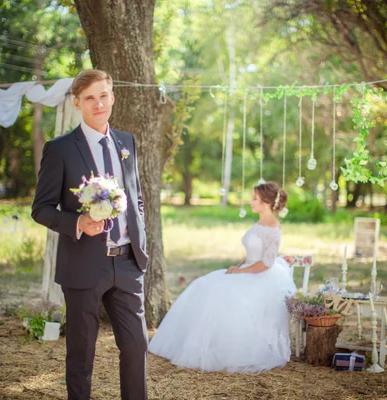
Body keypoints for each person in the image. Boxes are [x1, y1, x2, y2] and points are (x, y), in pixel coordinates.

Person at [31, 69, 149, 400]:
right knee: (81, 353)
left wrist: (140, 241)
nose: (98, 104)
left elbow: (135, 195)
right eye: (89, 98)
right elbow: (41, 209)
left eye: (103, 96)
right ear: (77, 103)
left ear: (112, 97)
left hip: (127, 263)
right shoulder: (61, 149)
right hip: (84, 265)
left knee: (137, 345)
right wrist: (78, 223)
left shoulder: (127, 142)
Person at [148, 182, 296, 373]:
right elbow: (253, 255)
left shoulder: (274, 228)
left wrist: (242, 272)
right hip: (247, 269)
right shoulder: (259, 222)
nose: (250, 202)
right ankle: (194, 343)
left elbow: (266, 263)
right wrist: (239, 266)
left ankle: (221, 350)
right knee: (203, 285)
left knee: (221, 291)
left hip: (260, 276)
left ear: (266, 203)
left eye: (254, 199)